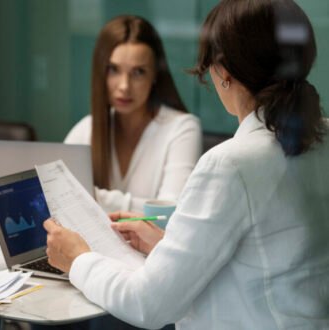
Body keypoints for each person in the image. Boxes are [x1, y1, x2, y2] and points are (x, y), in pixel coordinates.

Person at [45, 1, 329, 329]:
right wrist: (169, 245)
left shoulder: (230, 164)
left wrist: (78, 260)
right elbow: (265, 259)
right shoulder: (321, 136)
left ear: (223, 73)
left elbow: (147, 305)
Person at [64, 15, 202, 213]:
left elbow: (171, 213)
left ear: (155, 75)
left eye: (138, 72)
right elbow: (56, 195)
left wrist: (92, 197)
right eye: (113, 70)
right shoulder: (86, 128)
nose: (124, 86)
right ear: (100, 73)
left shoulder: (182, 128)